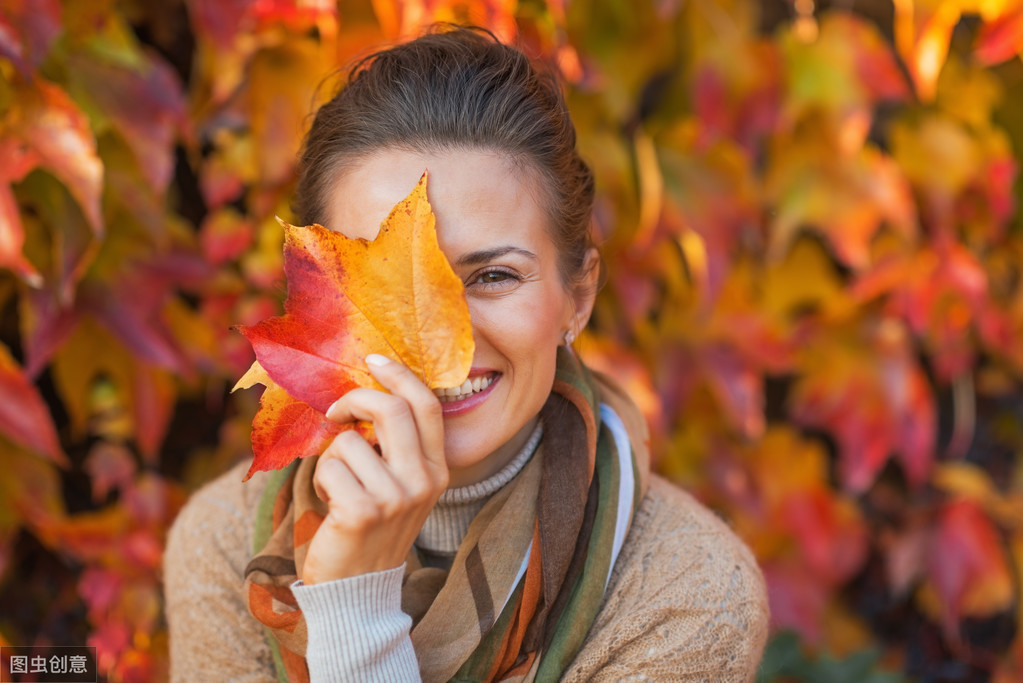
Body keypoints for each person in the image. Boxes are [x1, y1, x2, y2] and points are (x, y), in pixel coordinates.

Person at [164, 26, 769, 682]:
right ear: (319, 306)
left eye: (492, 276)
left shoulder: (687, 595)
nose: (445, 338)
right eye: (390, 289)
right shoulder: (222, 547)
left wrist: (353, 615)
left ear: (579, 297)